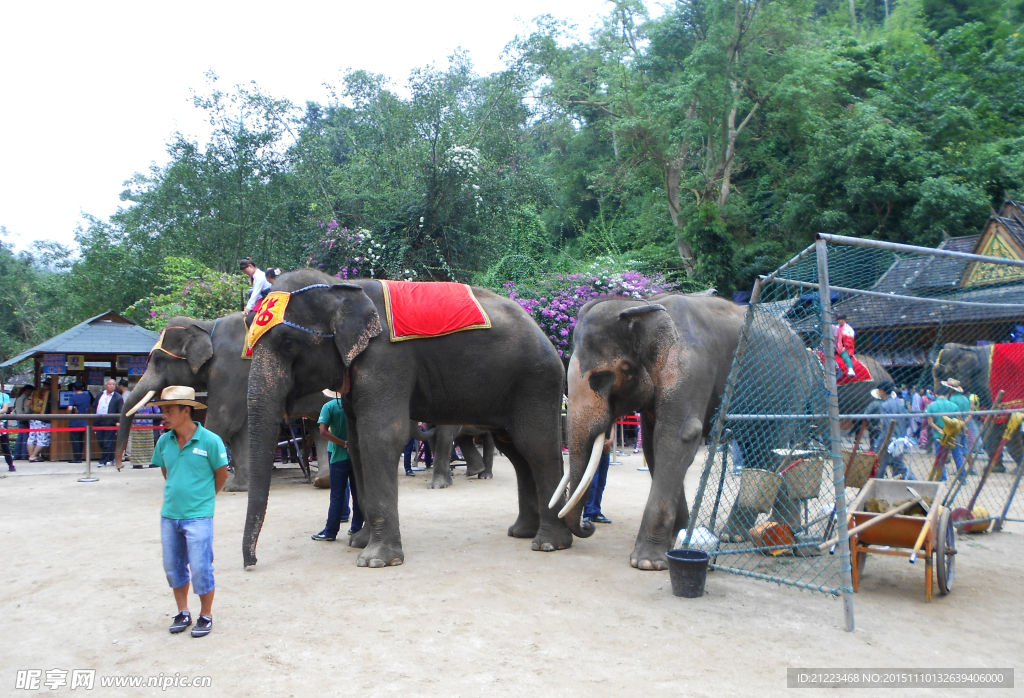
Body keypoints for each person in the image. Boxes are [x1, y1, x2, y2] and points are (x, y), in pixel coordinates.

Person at [150, 386, 228, 638]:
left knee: (201, 567)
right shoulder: (164, 441)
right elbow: (166, 472)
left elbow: (221, 474)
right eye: (163, 410)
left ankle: (206, 615)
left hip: (199, 516)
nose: (164, 415)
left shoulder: (211, 441)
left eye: (169, 410)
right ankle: (183, 612)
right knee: (173, 567)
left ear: (186, 411)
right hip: (169, 515)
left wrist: (203, 500)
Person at [312, 389, 364, 541]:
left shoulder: (329, 407)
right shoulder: (355, 406)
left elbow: (322, 431)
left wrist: (343, 443)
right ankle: (356, 528)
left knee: (337, 496)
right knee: (357, 493)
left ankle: (330, 532)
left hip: (337, 456)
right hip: (356, 457)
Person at [868, 381, 913, 479]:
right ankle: (913, 482)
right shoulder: (899, 404)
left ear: (882, 391)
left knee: (879, 466)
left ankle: (876, 485)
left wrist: (882, 442)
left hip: (888, 441)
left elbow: (888, 426)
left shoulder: (884, 406)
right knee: (898, 466)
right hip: (899, 438)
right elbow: (908, 420)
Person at [925, 384, 962, 481]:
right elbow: (959, 420)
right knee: (957, 455)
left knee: (940, 456)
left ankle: (942, 477)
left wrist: (939, 429)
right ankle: (962, 477)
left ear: (935, 394)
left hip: (939, 435)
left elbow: (930, 422)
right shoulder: (954, 406)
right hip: (952, 434)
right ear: (947, 393)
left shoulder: (931, 406)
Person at [943, 378, 974, 475]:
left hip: (955, 426)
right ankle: (971, 469)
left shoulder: (952, 399)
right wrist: (965, 423)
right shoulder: (965, 398)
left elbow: (956, 414)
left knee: (956, 449)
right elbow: (970, 412)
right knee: (965, 448)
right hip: (965, 424)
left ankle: (961, 470)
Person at [92, 379, 123, 467]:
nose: (111, 386)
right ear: (106, 385)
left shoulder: (118, 397)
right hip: (99, 421)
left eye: (113, 384)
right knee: (101, 441)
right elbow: (94, 406)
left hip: (110, 422)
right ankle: (111, 457)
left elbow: (120, 410)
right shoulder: (99, 395)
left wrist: (118, 421)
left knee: (107, 442)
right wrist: (93, 418)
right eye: (110, 384)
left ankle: (103, 461)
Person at [582, 434, 612, 525]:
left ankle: (596, 512)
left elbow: (612, 426)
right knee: (592, 483)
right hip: (593, 450)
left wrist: (610, 440)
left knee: (601, 483)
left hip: (605, 451)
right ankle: (588, 513)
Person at [66, 382, 93, 463]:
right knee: (81, 440)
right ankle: (80, 456)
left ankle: (77, 458)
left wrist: (67, 415)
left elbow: (69, 408)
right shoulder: (87, 396)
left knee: (75, 441)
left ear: (73, 388)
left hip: (75, 422)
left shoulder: (73, 397)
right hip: (84, 421)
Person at [26, 381, 52, 463]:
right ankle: (33, 456)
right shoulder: (51, 393)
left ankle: (31, 456)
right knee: (43, 438)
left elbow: (27, 404)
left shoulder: (34, 392)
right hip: (43, 418)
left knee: (32, 437)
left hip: (33, 417)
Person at [13, 385, 33, 461]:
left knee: (20, 437)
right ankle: (24, 454)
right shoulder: (25, 399)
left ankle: (17, 454)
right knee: (25, 437)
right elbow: (26, 409)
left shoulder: (19, 398)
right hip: (24, 418)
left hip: (19, 418)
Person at [0, 388, 14, 471]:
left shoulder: (4, 396)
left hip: (2, 422)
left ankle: (10, 464)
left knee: (5, 444)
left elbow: (5, 409)